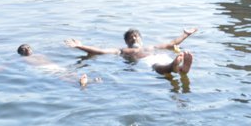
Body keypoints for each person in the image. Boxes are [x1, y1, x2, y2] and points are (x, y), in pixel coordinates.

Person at [65, 27, 197, 75]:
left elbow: (173, 43)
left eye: (136, 36)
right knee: (157, 66)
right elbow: (101, 51)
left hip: (160, 57)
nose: (134, 38)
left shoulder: (152, 47)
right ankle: (175, 66)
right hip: (147, 62)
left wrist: (186, 34)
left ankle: (182, 68)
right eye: (130, 37)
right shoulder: (123, 50)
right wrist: (80, 46)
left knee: (167, 62)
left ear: (141, 39)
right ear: (126, 41)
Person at [18, 44, 91, 87]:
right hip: (45, 68)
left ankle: (85, 82)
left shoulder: (38, 55)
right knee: (63, 76)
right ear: (21, 52)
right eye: (24, 49)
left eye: (28, 47)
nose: (27, 49)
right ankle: (81, 84)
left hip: (53, 66)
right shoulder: (25, 58)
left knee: (69, 73)